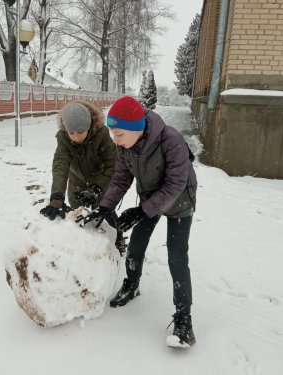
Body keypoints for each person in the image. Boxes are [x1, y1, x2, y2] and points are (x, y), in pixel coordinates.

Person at [78, 96, 198, 348]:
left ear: (136, 129)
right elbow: (121, 179)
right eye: (112, 132)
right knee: (136, 246)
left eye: (119, 133)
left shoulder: (171, 140)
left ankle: (183, 318)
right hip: (149, 199)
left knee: (177, 257)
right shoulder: (124, 147)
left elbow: (175, 183)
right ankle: (132, 285)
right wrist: (105, 206)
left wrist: (143, 211)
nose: (115, 139)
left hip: (179, 202)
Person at [39, 100, 127, 254]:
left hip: (100, 177)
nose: (76, 137)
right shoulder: (63, 138)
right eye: (71, 132)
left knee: (106, 208)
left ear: (89, 126)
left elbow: (111, 165)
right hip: (77, 177)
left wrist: (97, 188)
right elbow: (60, 166)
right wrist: (56, 198)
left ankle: (118, 235)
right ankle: (80, 245)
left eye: (80, 132)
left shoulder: (102, 134)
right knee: (76, 210)